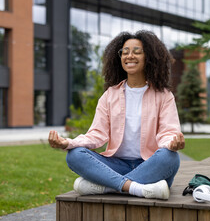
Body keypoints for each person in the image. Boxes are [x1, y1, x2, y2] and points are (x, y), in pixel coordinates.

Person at [48, 30, 185, 200]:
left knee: (170, 158)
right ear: (118, 57)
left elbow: (168, 131)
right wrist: (68, 142)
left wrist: (171, 144)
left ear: (149, 56)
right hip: (115, 165)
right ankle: (137, 188)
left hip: (150, 164)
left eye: (137, 51)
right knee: (75, 155)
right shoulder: (109, 95)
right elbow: (97, 134)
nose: (129, 56)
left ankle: (108, 187)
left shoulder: (163, 95)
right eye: (125, 52)